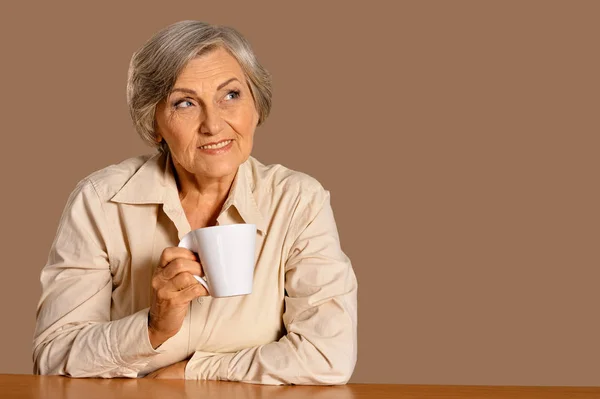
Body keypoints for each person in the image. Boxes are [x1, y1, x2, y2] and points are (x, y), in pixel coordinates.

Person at [32, 20, 357, 385]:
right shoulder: (100, 202)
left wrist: (192, 372)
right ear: (153, 123)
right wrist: (152, 327)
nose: (213, 125)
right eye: (185, 103)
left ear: (257, 106)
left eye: (230, 96)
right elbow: (53, 355)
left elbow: (329, 355)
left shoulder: (298, 201)